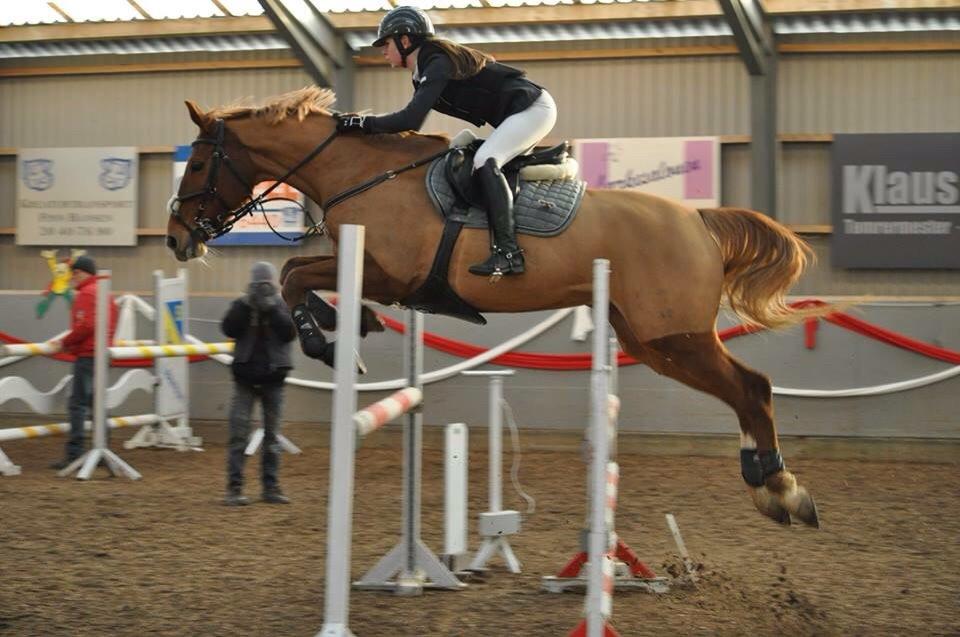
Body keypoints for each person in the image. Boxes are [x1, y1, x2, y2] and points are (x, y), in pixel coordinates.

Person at [336, 5, 558, 278]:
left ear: (405, 41)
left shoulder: (436, 61)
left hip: (532, 109)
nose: (382, 49)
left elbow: (410, 120)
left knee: (484, 161)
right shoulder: (425, 69)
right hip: (519, 113)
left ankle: (508, 253)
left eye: (386, 43)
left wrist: (361, 123)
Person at [220, 262, 296, 506]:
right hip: (246, 379)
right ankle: (234, 488)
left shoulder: (284, 306)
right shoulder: (241, 305)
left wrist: (272, 310)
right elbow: (228, 328)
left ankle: (271, 487)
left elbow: (289, 334)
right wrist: (247, 305)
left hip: (273, 379)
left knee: (272, 437)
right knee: (238, 435)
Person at [49, 255, 119, 469]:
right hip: (101, 354)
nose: (72, 278)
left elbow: (86, 326)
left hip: (87, 355)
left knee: (78, 404)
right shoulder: (106, 294)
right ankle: (103, 447)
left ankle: (74, 453)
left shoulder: (86, 294)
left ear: (83, 273)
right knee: (97, 404)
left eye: (75, 274)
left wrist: (64, 342)